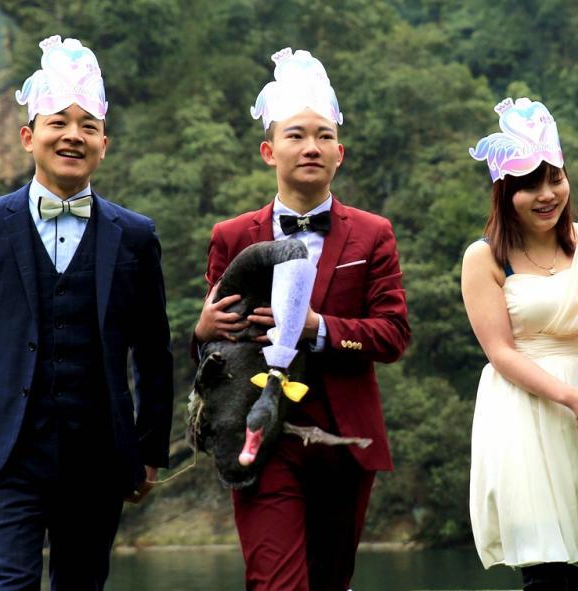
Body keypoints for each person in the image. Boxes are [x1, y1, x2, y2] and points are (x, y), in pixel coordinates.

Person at [0, 35, 174, 590]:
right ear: (29, 136)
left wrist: (148, 449)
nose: (73, 135)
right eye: (58, 122)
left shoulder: (135, 235)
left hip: (98, 455)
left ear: (104, 143)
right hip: (0, 453)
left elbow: (153, 349)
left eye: (88, 126)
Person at [192, 47, 410, 591]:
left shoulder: (372, 233)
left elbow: (393, 334)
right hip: (260, 435)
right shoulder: (232, 236)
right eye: (295, 135)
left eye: (323, 136)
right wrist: (201, 332)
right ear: (269, 150)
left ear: (341, 152)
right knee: (276, 582)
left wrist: (321, 328)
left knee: (331, 581)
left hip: (345, 438)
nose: (311, 147)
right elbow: (216, 350)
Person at [462, 97, 578, 591]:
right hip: (525, 412)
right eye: (530, 185)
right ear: (505, 192)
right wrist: (571, 397)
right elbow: (501, 352)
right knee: (545, 568)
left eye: (555, 178)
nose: (547, 194)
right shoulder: (485, 258)